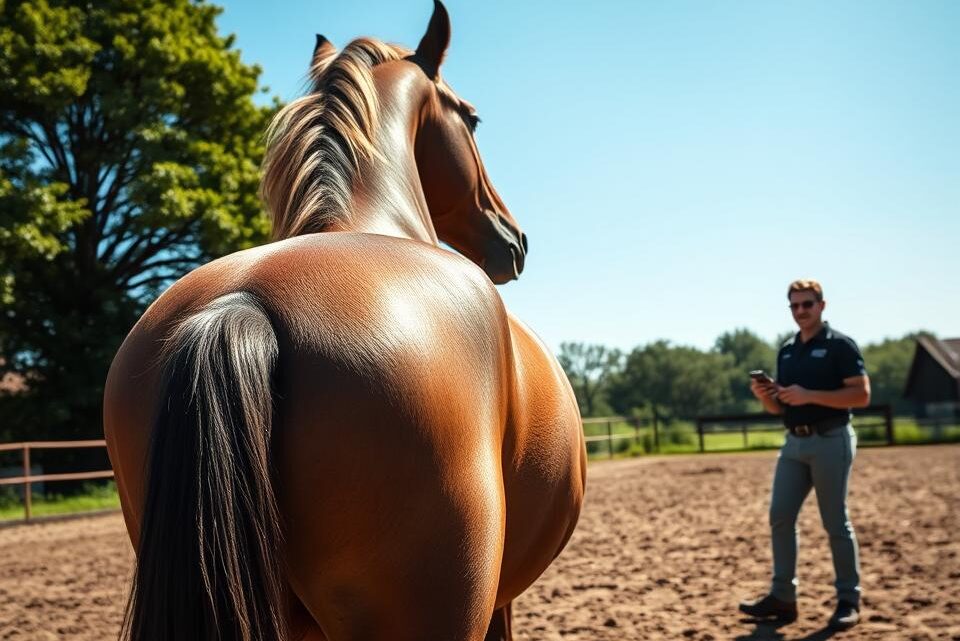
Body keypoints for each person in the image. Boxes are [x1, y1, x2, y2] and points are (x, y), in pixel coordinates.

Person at [739, 279, 871, 630]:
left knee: (834, 522)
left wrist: (809, 395)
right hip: (794, 443)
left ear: (822, 306)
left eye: (807, 305)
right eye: (794, 306)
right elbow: (779, 408)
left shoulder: (841, 346)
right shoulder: (787, 350)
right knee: (780, 516)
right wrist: (765, 394)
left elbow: (861, 395)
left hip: (831, 439)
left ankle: (848, 599)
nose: (800, 312)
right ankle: (783, 597)